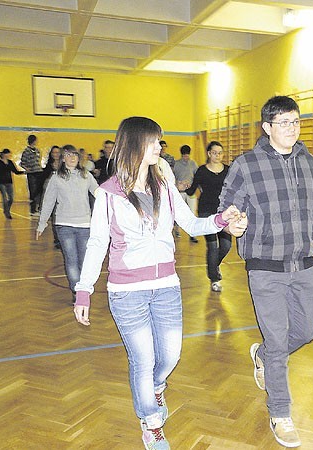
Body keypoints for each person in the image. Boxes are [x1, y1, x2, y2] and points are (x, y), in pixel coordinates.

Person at [72, 117, 246, 450]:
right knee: (142, 358)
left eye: (161, 141)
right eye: (155, 141)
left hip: (166, 285)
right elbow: (96, 243)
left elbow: (192, 224)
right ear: (135, 144)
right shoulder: (108, 193)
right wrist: (84, 289)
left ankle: (155, 388)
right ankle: (151, 423)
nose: (160, 147)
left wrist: (222, 220)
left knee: (169, 357)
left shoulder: (164, 185)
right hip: (126, 293)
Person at [218, 95, 313, 448]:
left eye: (296, 122)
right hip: (265, 268)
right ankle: (281, 411)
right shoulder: (246, 165)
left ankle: (261, 355)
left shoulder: (311, 164)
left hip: (305, 266)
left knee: (304, 333)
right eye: (284, 122)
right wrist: (235, 224)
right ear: (267, 127)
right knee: (277, 340)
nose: (291, 128)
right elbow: (227, 211)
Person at [36, 145, 99, 303]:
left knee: (84, 260)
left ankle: (82, 288)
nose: (72, 158)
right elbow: (48, 202)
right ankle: (76, 291)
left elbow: (99, 193)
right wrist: (41, 224)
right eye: (68, 155)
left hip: (85, 224)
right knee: (71, 259)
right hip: (64, 225)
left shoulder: (86, 175)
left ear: (78, 158)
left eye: (75, 155)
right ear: (63, 158)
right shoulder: (56, 177)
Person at [186, 141, 231, 292]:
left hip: (223, 213)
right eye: (214, 152)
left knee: (226, 246)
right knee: (212, 246)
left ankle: (213, 265)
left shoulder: (228, 170)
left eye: (220, 153)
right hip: (206, 211)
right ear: (209, 154)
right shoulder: (202, 171)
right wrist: (184, 186)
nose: (217, 155)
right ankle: (214, 279)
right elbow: (191, 191)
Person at [173, 144, 199, 242]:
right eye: (184, 156)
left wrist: (198, 188)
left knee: (192, 213)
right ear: (181, 155)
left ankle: (192, 234)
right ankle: (177, 229)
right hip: (180, 192)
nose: (186, 157)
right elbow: (172, 177)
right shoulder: (176, 164)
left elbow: (197, 177)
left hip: (191, 191)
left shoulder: (193, 164)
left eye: (187, 155)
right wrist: (177, 183)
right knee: (178, 212)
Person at [0, 149, 25, 219]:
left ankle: (6, 210)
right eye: (8, 154)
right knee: (4, 197)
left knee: (11, 198)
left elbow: (15, 171)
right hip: (1, 182)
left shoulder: (10, 162)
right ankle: (7, 213)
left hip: (9, 182)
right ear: (4, 154)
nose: (9, 155)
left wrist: (24, 172)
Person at [41, 145, 63, 249]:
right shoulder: (49, 166)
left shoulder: (65, 165)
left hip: (63, 193)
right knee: (55, 216)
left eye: (58, 152)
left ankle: (63, 237)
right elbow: (44, 179)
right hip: (52, 192)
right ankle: (57, 239)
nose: (56, 154)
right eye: (54, 152)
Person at [20, 134, 44, 215]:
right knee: (33, 191)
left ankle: (39, 208)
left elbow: (38, 161)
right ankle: (32, 210)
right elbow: (22, 163)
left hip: (39, 172)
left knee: (40, 190)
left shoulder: (37, 150)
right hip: (32, 173)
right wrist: (27, 169)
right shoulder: (26, 151)